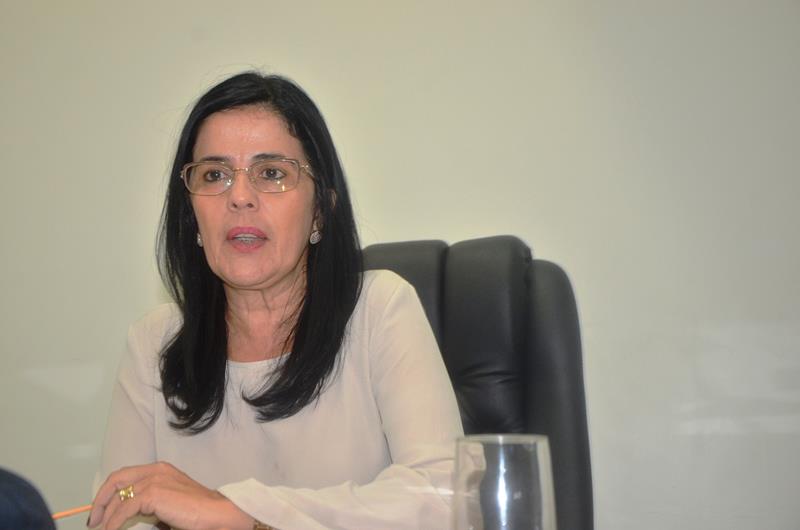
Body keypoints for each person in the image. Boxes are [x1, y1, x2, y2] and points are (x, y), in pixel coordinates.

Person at [87, 72, 463, 530]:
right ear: (192, 216)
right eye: (214, 175)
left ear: (320, 210)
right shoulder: (153, 344)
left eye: (271, 173)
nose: (240, 198)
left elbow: (445, 500)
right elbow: (119, 507)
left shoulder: (379, 311)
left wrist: (236, 514)